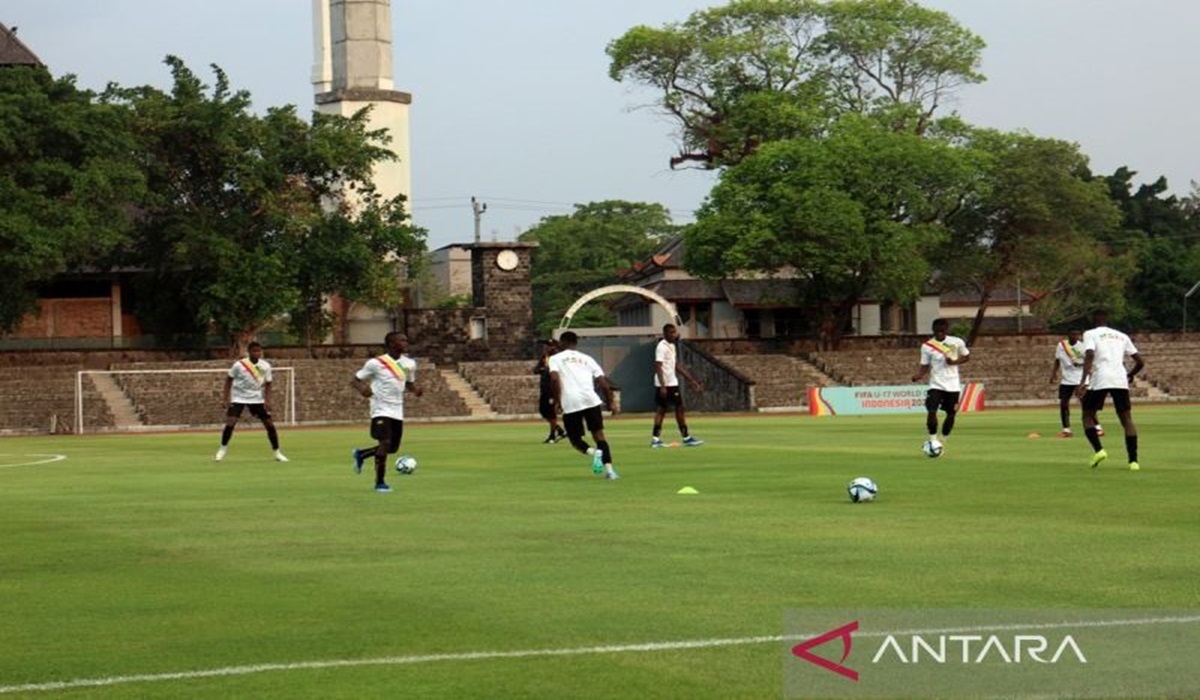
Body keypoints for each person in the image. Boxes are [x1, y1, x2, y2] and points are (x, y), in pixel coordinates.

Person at [350, 332, 424, 493]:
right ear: (391, 343)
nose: (406, 342)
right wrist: (363, 389)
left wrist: (416, 390)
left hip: (397, 409)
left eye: (406, 339)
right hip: (380, 408)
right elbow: (355, 380)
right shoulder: (376, 363)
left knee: (392, 448)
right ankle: (380, 482)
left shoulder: (409, 364)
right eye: (401, 340)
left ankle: (361, 454)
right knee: (384, 444)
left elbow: (409, 383)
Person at [1075, 310, 1144, 470]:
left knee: (1087, 415)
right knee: (1126, 419)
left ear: (1093, 320)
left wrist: (1083, 381)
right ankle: (1133, 461)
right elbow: (1140, 362)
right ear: (1107, 319)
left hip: (1101, 378)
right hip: (1120, 379)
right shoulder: (1121, 335)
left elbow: (1090, 355)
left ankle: (1099, 451)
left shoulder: (1090, 334)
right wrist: (1130, 375)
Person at [547, 331, 620, 480]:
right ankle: (610, 472)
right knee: (599, 436)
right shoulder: (588, 359)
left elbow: (554, 379)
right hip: (591, 400)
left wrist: (557, 401)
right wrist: (610, 402)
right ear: (576, 343)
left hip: (571, 401)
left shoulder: (555, 358)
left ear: (562, 343)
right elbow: (603, 384)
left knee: (575, 440)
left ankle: (594, 453)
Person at [215, 342, 288, 462]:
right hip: (238, 398)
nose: (257, 353)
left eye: (259, 351)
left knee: (269, 424)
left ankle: (277, 453)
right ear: (249, 352)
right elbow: (228, 380)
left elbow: (268, 384)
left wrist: (267, 400)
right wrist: (225, 398)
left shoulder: (265, 366)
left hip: (257, 399)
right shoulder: (239, 365)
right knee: (230, 423)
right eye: (254, 351)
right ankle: (222, 449)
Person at [911, 318, 971, 452]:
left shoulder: (956, 342)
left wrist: (954, 362)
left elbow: (967, 357)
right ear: (933, 331)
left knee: (951, 414)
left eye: (942, 331)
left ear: (946, 330)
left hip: (953, 384)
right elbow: (925, 365)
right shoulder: (927, 346)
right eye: (937, 331)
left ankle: (943, 440)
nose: (939, 334)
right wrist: (919, 375)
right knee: (931, 410)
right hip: (936, 384)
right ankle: (932, 439)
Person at [650, 323, 704, 448]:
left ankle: (686, 437)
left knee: (679, 408)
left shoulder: (672, 346)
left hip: (672, 382)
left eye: (674, 332)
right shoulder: (661, 347)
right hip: (664, 383)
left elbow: (676, 365)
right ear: (665, 334)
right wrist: (663, 385)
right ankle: (656, 439)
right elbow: (658, 366)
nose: (674, 335)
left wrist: (692, 380)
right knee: (662, 410)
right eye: (671, 332)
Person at [1049, 329, 1086, 437]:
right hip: (1066, 380)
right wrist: (1053, 373)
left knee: (1085, 403)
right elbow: (1057, 360)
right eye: (1073, 334)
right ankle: (1066, 429)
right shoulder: (1061, 345)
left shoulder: (1082, 347)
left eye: (1078, 334)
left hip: (1080, 378)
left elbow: (1089, 361)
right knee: (1064, 404)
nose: (1076, 336)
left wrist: (1079, 365)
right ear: (1068, 335)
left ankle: (1096, 427)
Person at [534, 339, 566, 443]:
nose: (546, 348)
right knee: (543, 411)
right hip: (544, 388)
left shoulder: (556, 357)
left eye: (549, 346)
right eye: (546, 346)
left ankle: (553, 434)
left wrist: (544, 370)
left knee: (551, 412)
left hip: (552, 388)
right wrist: (542, 369)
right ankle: (559, 430)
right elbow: (536, 369)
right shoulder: (544, 357)